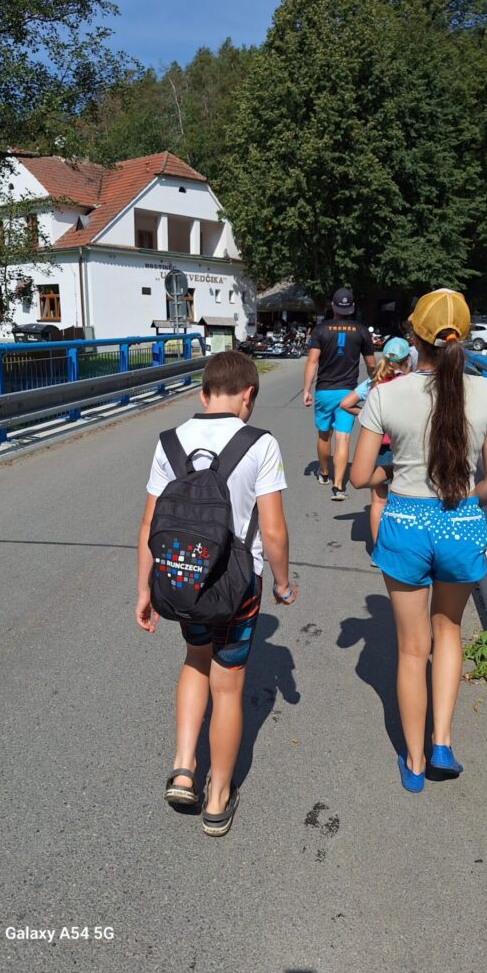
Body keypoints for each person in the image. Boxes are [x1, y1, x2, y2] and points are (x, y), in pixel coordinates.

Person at [350, 289, 487, 793]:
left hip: (405, 525)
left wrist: (395, 472)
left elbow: (359, 476)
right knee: (449, 634)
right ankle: (442, 743)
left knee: (412, 649)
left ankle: (414, 762)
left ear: (413, 336)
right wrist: (461, 504)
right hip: (460, 524)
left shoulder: (385, 395)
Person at [135, 351, 296, 836]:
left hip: (184, 578)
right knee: (228, 685)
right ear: (249, 394)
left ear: (203, 393)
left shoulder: (170, 441)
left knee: (194, 659)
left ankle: (184, 767)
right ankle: (218, 797)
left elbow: (149, 525)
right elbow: (273, 531)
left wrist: (143, 589)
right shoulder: (260, 443)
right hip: (237, 586)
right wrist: (283, 583)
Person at [339, 337, 412, 553]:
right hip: (403, 446)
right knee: (404, 499)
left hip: (378, 446)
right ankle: (402, 550)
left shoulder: (374, 381)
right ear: (407, 359)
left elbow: (345, 403)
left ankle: (379, 551)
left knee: (378, 501)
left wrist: (368, 415)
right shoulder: (410, 382)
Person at [303, 287, 375, 501]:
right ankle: (338, 487)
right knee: (343, 438)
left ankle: (325, 473)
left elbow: (312, 361)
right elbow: (371, 365)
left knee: (324, 435)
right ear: (352, 307)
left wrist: (306, 389)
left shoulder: (321, 330)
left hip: (324, 391)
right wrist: (375, 384)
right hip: (348, 393)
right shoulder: (362, 331)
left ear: (333, 306)